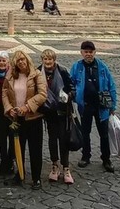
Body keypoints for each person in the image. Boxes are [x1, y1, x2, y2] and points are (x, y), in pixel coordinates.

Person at [70, 40, 117, 173]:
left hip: (101, 106)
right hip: (85, 106)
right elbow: (70, 82)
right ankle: (86, 156)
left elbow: (111, 85)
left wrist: (113, 105)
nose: (88, 54)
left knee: (104, 134)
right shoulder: (77, 67)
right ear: (81, 53)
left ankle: (106, 159)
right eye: (86, 52)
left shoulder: (102, 67)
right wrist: (72, 95)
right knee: (85, 132)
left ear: (95, 52)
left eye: (91, 52)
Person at [3, 50, 47, 189]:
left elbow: (42, 94)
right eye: (18, 60)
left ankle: (36, 178)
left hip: (33, 118)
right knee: (17, 149)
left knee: (35, 149)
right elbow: (4, 92)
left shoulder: (36, 74)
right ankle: (19, 174)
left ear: (27, 60)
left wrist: (27, 106)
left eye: (23, 59)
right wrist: (9, 108)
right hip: (17, 118)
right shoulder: (10, 76)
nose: (21, 62)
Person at [40, 48, 75, 184]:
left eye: (50, 59)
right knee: (52, 139)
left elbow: (72, 88)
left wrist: (69, 95)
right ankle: (55, 165)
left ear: (54, 60)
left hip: (63, 111)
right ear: (42, 60)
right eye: (45, 59)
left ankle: (66, 167)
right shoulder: (38, 71)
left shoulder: (62, 71)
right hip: (48, 112)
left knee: (64, 139)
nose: (48, 62)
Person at [0, 51, 13, 175]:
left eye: (4, 60)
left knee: (12, 136)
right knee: (1, 137)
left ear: (8, 62)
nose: (1, 62)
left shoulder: (13, 74)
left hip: (11, 110)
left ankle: (10, 160)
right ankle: (3, 159)